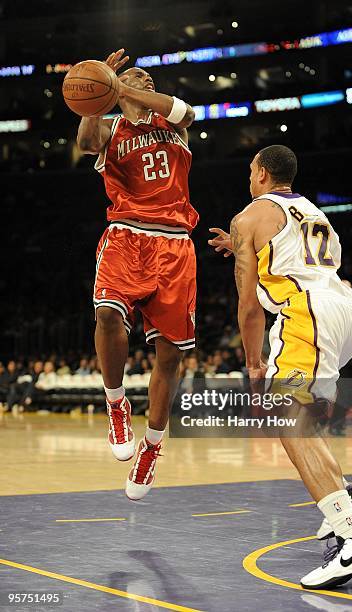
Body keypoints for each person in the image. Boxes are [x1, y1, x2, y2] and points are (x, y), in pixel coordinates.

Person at [209, 145, 352, 589]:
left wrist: (254, 363)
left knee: (288, 420)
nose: (248, 177)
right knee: (303, 419)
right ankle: (343, 496)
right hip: (346, 310)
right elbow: (293, 256)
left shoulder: (249, 216)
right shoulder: (311, 210)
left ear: (263, 174)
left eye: (251, 169)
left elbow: (250, 308)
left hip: (307, 314)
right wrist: (241, 248)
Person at [77, 49, 198, 500]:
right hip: (127, 235)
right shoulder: (110, 130)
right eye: (134, 77)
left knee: (170, 356)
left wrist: (119, 82)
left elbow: (188, 110)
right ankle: (116, 405)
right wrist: (96, 89)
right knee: (107, 315)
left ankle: (152, 447)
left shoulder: (174, 122)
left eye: (146, 78)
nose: (144, 81)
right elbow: (86, 142)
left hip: (175, 243)